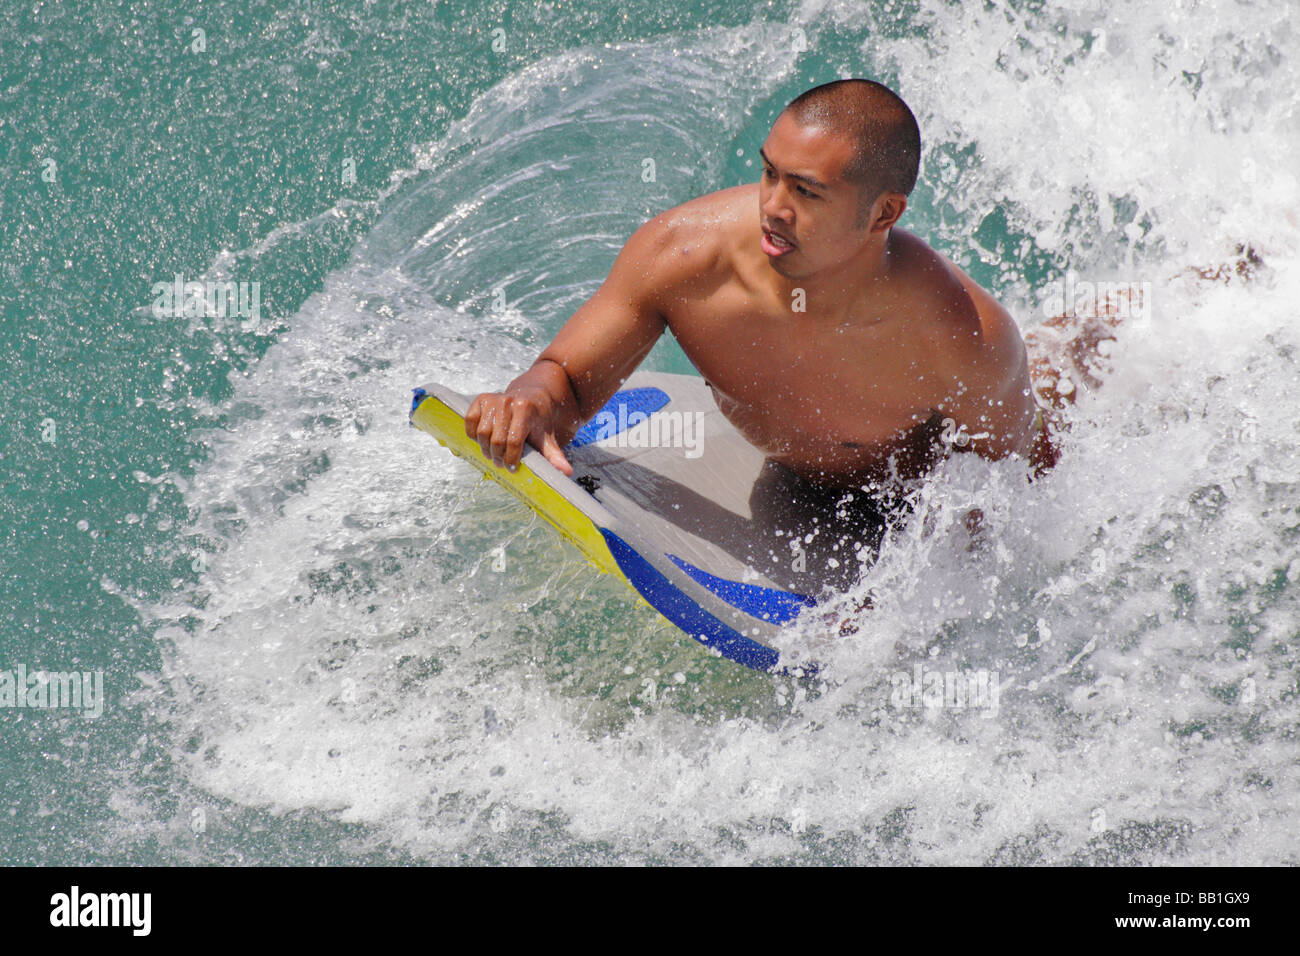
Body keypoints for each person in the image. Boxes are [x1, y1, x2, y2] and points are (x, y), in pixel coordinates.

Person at [465, 79, 1113, 498]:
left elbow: (1022, 494)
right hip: (795, 480)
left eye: (805, 191)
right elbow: (568, 381)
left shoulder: (959, 336)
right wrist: (530, 397)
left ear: (884, 214)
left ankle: (1143, 315)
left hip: (938, 477)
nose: (772, 207)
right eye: (770, 174)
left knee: (1074, 362)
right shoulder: (680, 257)